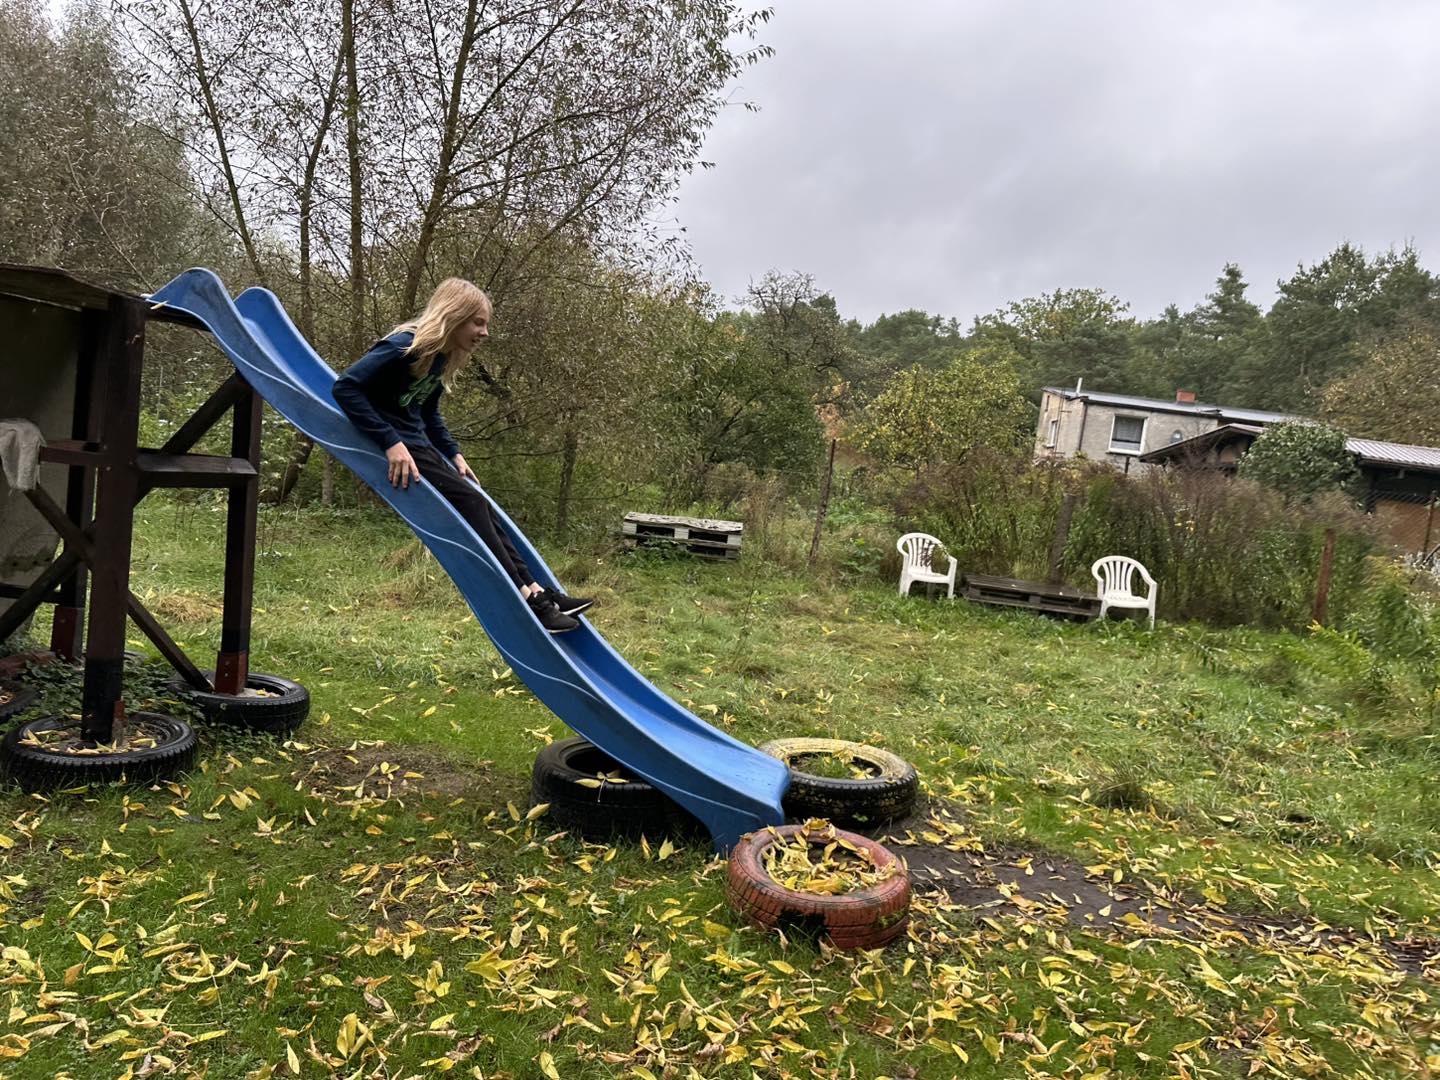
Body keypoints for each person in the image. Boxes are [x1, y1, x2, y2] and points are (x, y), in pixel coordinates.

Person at [332, 278, 592, 634]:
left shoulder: (439, 358)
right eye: (478, 323)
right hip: (400, 446)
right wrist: (390, 442)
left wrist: (454, 453)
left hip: (419, 445)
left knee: (480, 504)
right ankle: (527, 599)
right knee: (471, 503)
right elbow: (345, 387)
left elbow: (428, 415)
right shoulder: (403, 346)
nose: (485, 332)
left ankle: (535, 589)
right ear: (453, 316)